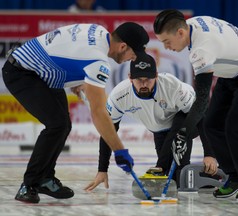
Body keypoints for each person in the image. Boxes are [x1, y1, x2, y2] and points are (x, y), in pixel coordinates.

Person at [2, 22, 149, 203]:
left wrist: (76, 79)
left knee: (63, 125)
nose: (133, 60)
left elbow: (67, 48)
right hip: (22, 72)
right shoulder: (98, 62)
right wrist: (120, 150)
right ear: (123, 46)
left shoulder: (99, 31)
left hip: (43, 72)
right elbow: (98, 113)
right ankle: (29, 184)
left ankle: (46, 178)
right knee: (57, 125)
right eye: (134, 55)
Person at [153, 9, 238, 200]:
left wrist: (184, 133)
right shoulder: (192, 25)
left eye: (166, 42)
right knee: (211, 125)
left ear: (180, 33)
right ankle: (235, 178)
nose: (166, 48)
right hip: (232, 73)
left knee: (235, 128)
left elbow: (202, 100)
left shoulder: (201, 50)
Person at [83, 52, 218, 191]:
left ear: (156, 76)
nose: (144, 84)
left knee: (176, 133)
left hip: (187, 120)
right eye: (139, 79)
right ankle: (215, 177)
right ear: (130, 78)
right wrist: (102, 169)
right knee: (178, 179)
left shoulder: (173, 87)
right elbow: (108, 130)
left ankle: (159, 168)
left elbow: (200, 116)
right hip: (160, 129)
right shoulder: (119, 96)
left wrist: (209, 154)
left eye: (148, 79)